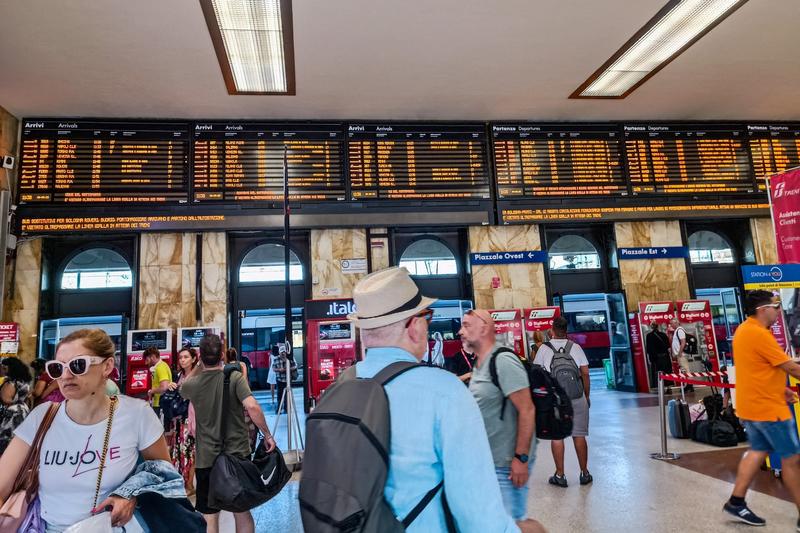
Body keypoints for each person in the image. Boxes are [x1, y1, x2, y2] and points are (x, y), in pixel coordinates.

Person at [344, 267, 544, 532]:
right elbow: (478, 517)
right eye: (427, 316)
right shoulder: (443, 392)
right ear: (414, 326)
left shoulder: (343, 385)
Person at [0, 328, 170, 531]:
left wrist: (131, 493)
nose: (66, 375)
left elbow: (163, 475)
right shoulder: (42, 417)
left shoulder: (136, 414)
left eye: (78, 365)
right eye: (57, 368)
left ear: (107, 366)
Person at [180, 334, 276, 533]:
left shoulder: (193, 385)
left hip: (207, 459)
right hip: (237, 455)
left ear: (199, 356)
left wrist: (198, 365)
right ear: (222, 354)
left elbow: (184, 386)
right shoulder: (234, 378)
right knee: (241, 511)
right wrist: (267, 435)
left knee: (210, 515)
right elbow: (252, 406)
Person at [724, 290, 800, 528]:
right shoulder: (759, 334)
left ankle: (736, 501)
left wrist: (781, 389)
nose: (779, 311)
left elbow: (758, 369)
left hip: (752, 406)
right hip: (770, 410)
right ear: (762, 310)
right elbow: (791, 368)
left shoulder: (743, 331)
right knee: (792, 460)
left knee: (758, 450)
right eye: (775, 306)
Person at [460, 309, 537, 521]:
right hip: (490, 463)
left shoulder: (503, 361)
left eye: (467, 325)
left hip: (507, 467)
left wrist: (521, 458)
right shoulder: (480, 363)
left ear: (484, 328)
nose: (460, 331)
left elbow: (527, 409)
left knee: (512, 522)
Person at [533, 316, 592, 488]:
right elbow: (586, 374)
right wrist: (586, 396)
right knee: (579, 435)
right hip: (577, 395)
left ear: (552, 330)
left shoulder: (544, 349)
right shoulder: (576, 347)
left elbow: (537, 374)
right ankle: (584, 473)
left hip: (556, 400)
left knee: (557, 436)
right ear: (566, 331)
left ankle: (560, 475)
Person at [166, 346, 198, 496]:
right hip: (179, 419)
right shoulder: (179, 375)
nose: (182, 360)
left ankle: (190, 484)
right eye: (180, 357)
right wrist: (171, 386)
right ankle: (184, 482)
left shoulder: (196, 375)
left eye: (186, 357)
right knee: (179, 451)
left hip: (191, 419)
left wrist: (178, 388)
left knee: (188, 451)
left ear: (193, 359)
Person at [223, 346, 257, 448]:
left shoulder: (224, 367)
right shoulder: (242, 365)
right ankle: (249, 445)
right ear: (236, 355)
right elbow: (244, 380)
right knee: (248, 425)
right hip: (242, 398)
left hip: (230, 400)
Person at [0, 357, 33, 454]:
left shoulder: (10, 382)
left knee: (6, 439)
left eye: (3, 368)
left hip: (11, 413)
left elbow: (6, 399)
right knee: (18, 438)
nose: (2, 370)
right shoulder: (24, 382)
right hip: (22, 410)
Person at [145, 346, 173, 422]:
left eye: (147, 360)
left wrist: (152, 391)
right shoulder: (161, 366)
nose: (146, 363)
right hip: (159, 403)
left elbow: (164, 387)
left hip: (160, 404)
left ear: (153, 357)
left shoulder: (160, 367)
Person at [645, 322, 672, 391]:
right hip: (665, 357)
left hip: (657, 358)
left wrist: (650, 359)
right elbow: (668, 346)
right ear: (658, 327)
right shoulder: (663, 335)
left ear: (651, 327)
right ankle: (669, 388)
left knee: (659, 372)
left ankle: (661, 388)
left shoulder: (649, 336)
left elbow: (649, 349)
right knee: (667, 372)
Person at [670, 317, 694, 392]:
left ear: (676, 323)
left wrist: (679, 352)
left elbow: (683, 342)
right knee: (683, 370)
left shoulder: (680, 330)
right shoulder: (677, 331)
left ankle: (689, 386)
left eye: (671, 323)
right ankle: (687, 385)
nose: (670, 325)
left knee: (686, 370)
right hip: (680, 354)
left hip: (682, 354)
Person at [272, 343, 297, 414]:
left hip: (288, 380)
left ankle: (287, 409)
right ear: (279, 353)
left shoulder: (290, 358)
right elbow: (273, 368)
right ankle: (279, 409)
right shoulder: (276, 359)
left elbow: (295, 366)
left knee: (287, 395)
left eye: (284, 352)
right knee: (279, 395)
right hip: (279, 380)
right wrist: (279, 370)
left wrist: (288, 369)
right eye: (281, 352)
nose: (283, 354)